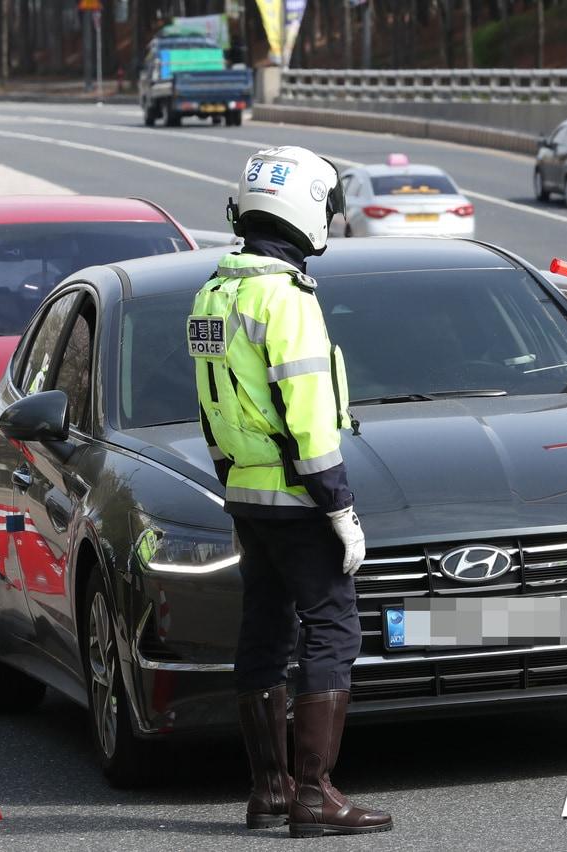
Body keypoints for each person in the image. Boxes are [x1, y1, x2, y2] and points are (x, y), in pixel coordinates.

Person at [189, 145, 391, 838]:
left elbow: (212, 409)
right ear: (304, 210)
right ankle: (315, 794)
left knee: (265, 631)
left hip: (247, 493)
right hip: (299, 496)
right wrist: (339, 506)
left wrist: (234, 485)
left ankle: (269, 790)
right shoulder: (287, 299)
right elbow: (308, 417)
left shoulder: (212, 293)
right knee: (333, 627)